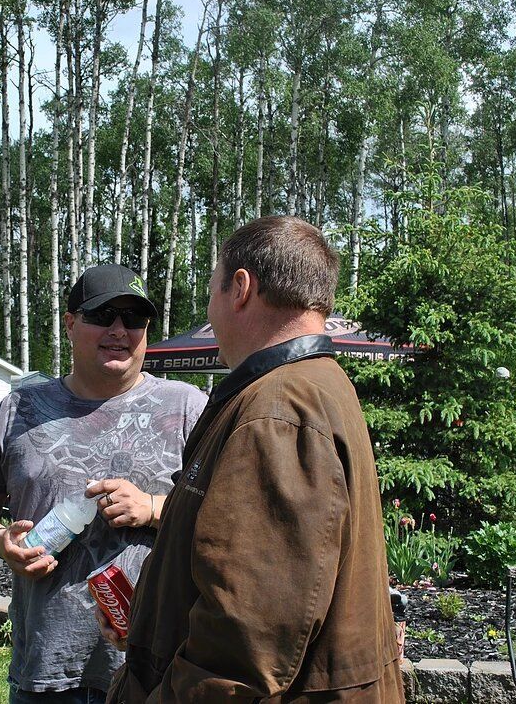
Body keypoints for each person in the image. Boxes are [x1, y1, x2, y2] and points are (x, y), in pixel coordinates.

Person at [103, 216, 403, 702]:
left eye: (212, 290)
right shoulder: (312, 384)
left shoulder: (279, 408)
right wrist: (154, 618)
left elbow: (243, 642)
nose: (210, 309)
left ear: (240, 287)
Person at [0, 264, 207, 702]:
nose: (119, 330)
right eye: (102, 315)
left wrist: (153, 507)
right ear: (70, 324)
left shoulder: (187, 407)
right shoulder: (18, 411)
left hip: (155, 670)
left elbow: (228, 513)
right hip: (45, 673)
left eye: (134, 319)